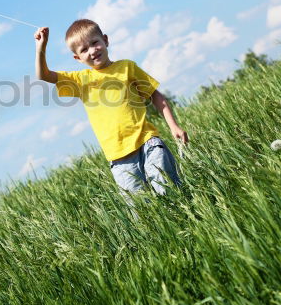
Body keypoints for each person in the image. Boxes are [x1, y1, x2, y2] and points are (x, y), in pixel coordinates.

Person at [34, 19, 188, 198]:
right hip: (119, 158)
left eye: (94, 43)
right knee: (142, 210)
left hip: (148, 142)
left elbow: (155, 95)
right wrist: (41, 47)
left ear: (105, 40)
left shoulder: (127, 67)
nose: (92, 51)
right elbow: (43, 75)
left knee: (169, 192)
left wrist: (173, 126)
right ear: (77, 58)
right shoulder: (80, 80)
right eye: (84, 50)